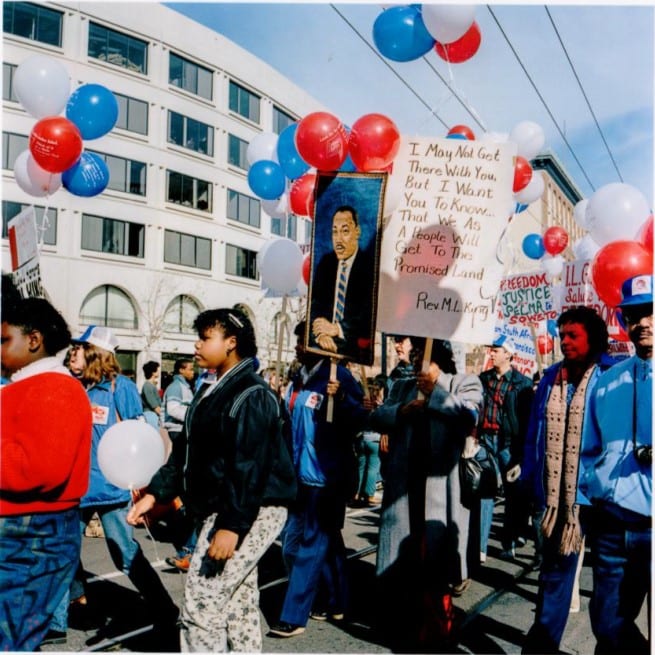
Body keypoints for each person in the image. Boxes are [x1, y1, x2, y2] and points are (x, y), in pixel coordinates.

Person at [128, 308, 297, 652]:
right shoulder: (212, 389)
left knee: (201, 604)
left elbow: (248, 467)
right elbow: (185, 451)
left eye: (206, 337)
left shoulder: (252, 394)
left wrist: (232, 526)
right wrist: (156, 493)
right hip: (230, 506)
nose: (196, 345)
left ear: (231, 343)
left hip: (250, 508)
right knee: (238, 603)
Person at [49, 326, 179, 643]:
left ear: (96, 352)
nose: (72, 353)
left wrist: (138, 480)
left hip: (110, 489)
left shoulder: (120, 387)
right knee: (61, 552)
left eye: (79, 348)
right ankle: (57, 623)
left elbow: (138, 436)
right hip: (73, 490)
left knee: (125, 553)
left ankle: (164, 609)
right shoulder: (71, 386)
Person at [370, 338, 483, 651]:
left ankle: (437, 630)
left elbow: (469, 417)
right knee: (403, 564)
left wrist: (436, 394)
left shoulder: (464, 383)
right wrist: (401, 411)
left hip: (441, 492)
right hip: (404, 489)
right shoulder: (403, 387)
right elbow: (377, 417)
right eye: (416, 357)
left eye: (425, 358)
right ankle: (402, 624)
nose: (418, 365)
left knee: (434, 564)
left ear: (440, 361)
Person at [268, 321, 371, 637]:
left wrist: (341, 401)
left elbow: (362, 415)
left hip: (327, 477)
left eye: (303, 341)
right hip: (299, 475)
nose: (298, 346)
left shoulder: (339, 376)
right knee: (323, 543)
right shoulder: (299, 378)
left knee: (309, 545)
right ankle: (337, 599)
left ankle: (294, 615)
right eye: (297, 340)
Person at [0, 297, 92, 650]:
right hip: (26, 529)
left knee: (11, 638)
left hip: (32, 532)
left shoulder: (56, 388)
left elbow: (39, 470)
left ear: (34, 340)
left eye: (4, 340)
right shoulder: (27, 387)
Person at [521, 306, 612, 654]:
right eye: (562, 336)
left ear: (594, 337)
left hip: (599, 500)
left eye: (573, 336)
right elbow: (534, 435)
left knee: (608, 596)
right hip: (557, 499)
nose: (565, 343)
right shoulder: (549, 378)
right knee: (553, 578)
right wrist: (529, 483)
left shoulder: (611, 374)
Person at [580, 274, 653, 655]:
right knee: (608, 625)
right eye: (635, 315)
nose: (643, 323)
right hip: (612, 524)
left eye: (651, 312)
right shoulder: (607, 382)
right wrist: (585, 498)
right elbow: (588, 450)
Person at [477, 335, 534, 563]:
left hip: (508, 444)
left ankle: (508, 542)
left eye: (496, 350)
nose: (491, 353)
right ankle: (480, 547)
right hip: (485, 441)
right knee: (484, 493)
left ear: (508, 354)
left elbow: (527, 420)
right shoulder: (483, 379)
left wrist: (521, 456)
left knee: (513, 495)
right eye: (491, 349)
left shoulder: (523, 384)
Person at [309, 206, 376, 361]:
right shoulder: (326, 264)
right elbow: (315, 305)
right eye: (335, 232)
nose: (338, 239)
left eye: (345, 231)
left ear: (357, 232)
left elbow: (367, 316)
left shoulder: (369, 268)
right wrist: (321, 333)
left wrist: (336, 329)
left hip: (354, 349)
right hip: (325, 346)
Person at [162, 357, 197, 571]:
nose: (193, 372)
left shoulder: (185, 386)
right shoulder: (177, 386)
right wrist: (195, 414)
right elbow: (174, 409)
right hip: (177, 430)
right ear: (181, 370)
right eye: (190, 369)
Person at [352, 378, 384, 507]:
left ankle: (356, 493)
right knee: (372, 468)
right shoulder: (378, 406)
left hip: (362, 438)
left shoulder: (362, 405)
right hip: (374, 439)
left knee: (360, 467)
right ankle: (369, 494)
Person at [141, 359, 162, 429]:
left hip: (153, 415)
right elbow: (154, 405)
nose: (159, 372)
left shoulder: (151, 385)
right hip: (150, 415)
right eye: (157, 370)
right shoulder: (148, 386)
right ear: (153, 372)